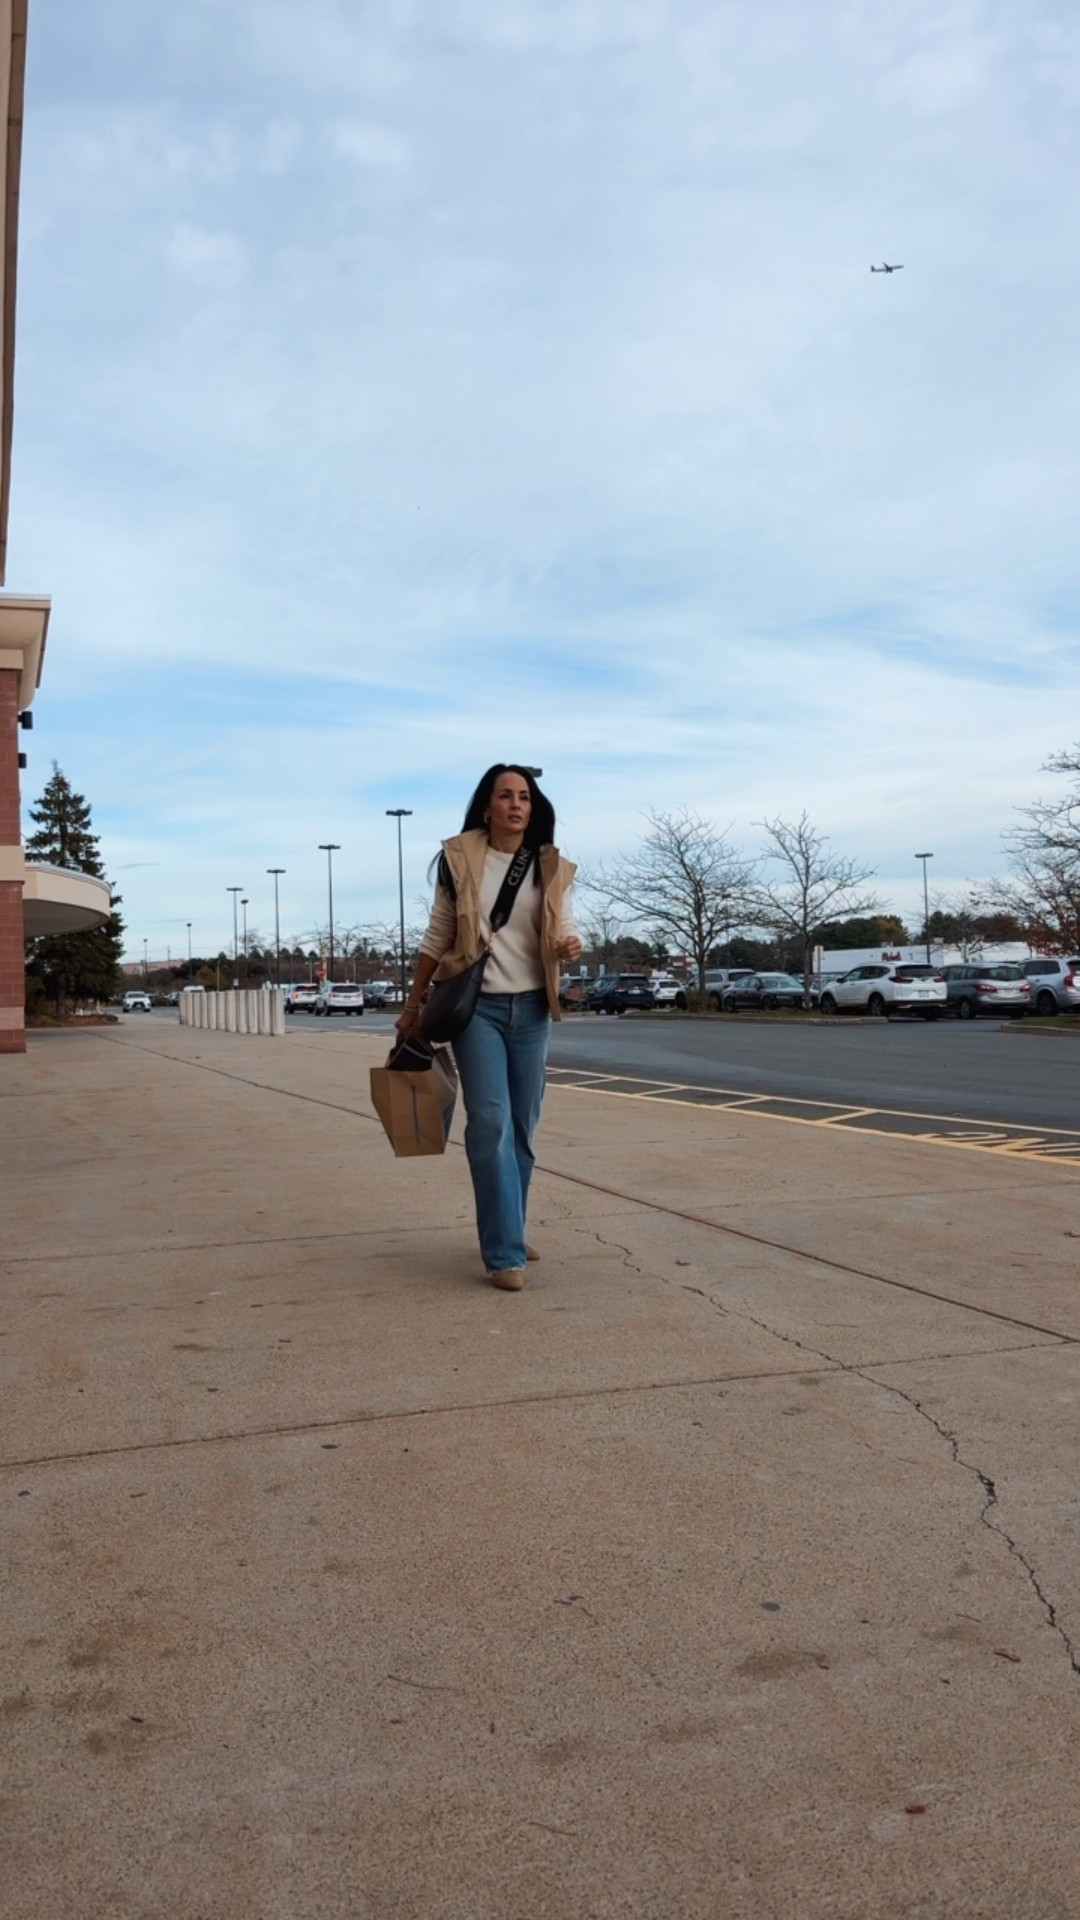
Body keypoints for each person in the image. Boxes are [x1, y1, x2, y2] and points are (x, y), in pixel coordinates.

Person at [396, 764, 582, 1291]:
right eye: (505, 795)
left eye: (524, 796)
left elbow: (563, 925)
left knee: (522, 1127)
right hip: (476, 1010)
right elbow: (437, 936)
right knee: (491, 1122)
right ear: (487, 806)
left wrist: (570, 945)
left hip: (533, 1009)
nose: (516, 804)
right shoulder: (460, 860)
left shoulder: (549, 864)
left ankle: (511, 1227)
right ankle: (503, 1253)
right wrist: (412, 1005)